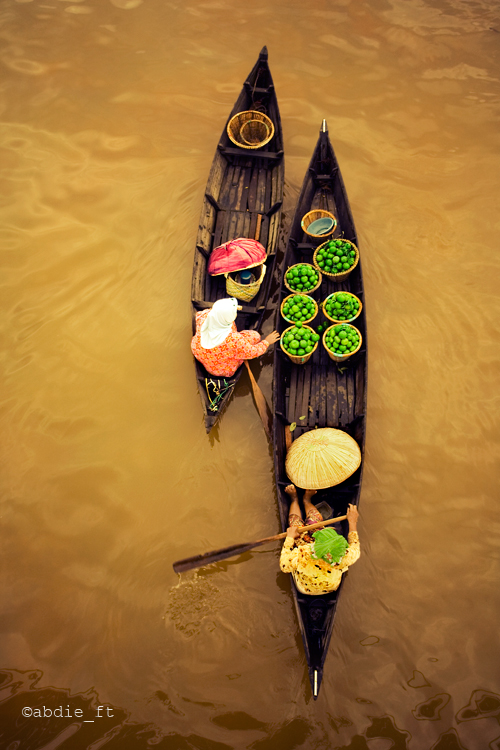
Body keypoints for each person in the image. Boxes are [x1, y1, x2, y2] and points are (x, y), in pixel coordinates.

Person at [279, 484, 360, 595]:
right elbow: (355, 545)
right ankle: (307, 500)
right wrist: (352, 522)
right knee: (314, 521)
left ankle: (294, 499)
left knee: (295, 525)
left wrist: (289, 538)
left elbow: (284, 565)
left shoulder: (303, 554)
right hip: (330, 587)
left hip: (304, 588)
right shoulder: (343, 556)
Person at [191, 297, 280, 377]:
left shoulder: (204, 316)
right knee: (255, 336)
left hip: (204, 357)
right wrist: (266, 342)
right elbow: (252, 352)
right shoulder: (234, 340)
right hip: (222, 370)